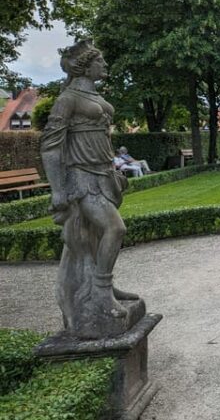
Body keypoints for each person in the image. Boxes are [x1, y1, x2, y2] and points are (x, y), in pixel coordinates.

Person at [40, 40, 137, 338]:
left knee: (95, 237)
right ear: (86, 65)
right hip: (82, 178)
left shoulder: (92, 94)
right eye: (101, 61)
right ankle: (101, 291)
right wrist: (57, 189)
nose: (105, 66)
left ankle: (104, 284)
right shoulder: (68, 98)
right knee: (114, 229)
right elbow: (50, 146)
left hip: (103, 174)